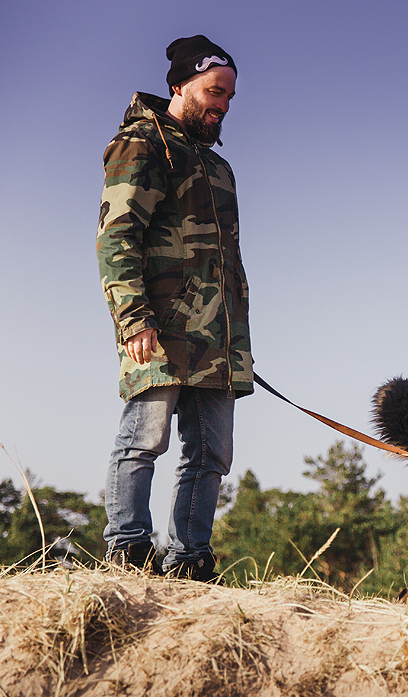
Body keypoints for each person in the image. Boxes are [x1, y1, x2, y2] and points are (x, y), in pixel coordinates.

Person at [97, 35, 253, 581]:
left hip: (218, 339)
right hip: (158, 329)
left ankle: (188, 560)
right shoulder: (141, 144)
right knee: (144, 439)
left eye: (230, 97)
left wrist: (237, 339)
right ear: (180, 86)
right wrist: (133, 319)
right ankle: (127, 551)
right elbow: (117, 239)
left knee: (211, 454)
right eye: (214, 92)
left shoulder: (219, 170)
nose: (222, 105)